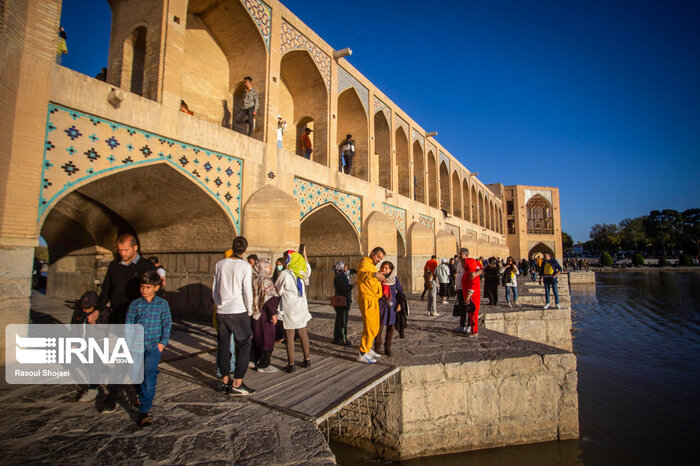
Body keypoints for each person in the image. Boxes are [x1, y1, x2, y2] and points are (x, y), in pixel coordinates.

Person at [96, 233, 156, 413]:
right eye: (120, 250)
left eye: (126, 250)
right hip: (117, 319)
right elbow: (106, 289)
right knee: (120, 359)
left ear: (135, 248)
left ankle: (124, 395)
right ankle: (117, 395)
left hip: (138, 321)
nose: (122, 253)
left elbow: (156, 291)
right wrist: (97, 309)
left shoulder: (146, 266)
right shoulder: (114, 266)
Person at [126, 271, 172, 427]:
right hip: (136, 346)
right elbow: (129, 325)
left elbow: (167, 323)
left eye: (148, 287)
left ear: (156, 288)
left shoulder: (162, 304)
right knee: (135, 374)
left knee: (149, 375)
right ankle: (141, 395)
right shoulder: (135, 305)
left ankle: (144, 412)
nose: (144, 290)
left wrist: (162, 342)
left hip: (154, 346)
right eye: (142, 287)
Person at [212, 236, 255, 396]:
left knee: (223, 346)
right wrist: (249, 311)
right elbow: (247, 291)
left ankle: (225, 381)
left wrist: (219, 304)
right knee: (244, 345)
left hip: (222, 312)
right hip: (238, 311)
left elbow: (215, 288)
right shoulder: (244, 266)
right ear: (244, 250)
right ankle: (237, 382)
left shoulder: (220, 264)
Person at [275, 250, 312, 372]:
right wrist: (304, 255)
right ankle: (307, 359)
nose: (284, 261)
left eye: (286, 259)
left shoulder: (285, 274)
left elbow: (278, 290)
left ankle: (291, 364)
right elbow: (307, 267)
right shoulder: (302, 273)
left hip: (289, 308)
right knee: (302, 333)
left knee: (289, 336)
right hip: (301, 308)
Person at [71, 291, 108, 403]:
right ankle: (100, 377)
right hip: (83, 342)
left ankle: (93, 389)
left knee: (95, 364)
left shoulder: (103, 312)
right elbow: (74, 326)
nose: (85, 310)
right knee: (88, 363)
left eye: (88, 308)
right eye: (83, 308)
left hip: (98, 342)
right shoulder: (79, 312)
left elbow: (107, 327)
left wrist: (96, 322)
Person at [357, 247, 386, 363]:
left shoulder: (372, 265)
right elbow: (362, 275)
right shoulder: (364, 262)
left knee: (374, 326)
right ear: (372, 253)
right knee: (369, 326)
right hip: (367, 298)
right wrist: (375, 274)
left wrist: (379, 276)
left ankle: (368, 348)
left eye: (381, 258)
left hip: (373, 298)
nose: (379, 260)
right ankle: (362, 352)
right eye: (378, 257)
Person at [251, 258, 280, 373]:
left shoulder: (253, 279)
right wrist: (273, 313)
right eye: (268, 266)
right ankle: (264, 364)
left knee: (257, 337)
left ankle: (252, 359)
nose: (270, 268)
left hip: (255, 313)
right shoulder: (265, 281)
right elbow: (268, 299)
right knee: (267, 338)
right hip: (265, 315)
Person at [374, 261, 403, 357]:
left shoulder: (394, 279)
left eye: (386, 268)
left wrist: (399, 304)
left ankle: (388, 347)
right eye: (383, 267)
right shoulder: (377, 278)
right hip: (381, 305)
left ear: (390, 270)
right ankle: (377, 347)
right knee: (379, 327)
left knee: (391, 327)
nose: (384, 269)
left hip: (392, 306)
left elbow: (400, 292)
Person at [461, 252, 483, 337]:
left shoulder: (472, 273)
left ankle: (474, 331)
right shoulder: (468, 271)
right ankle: (473, 330)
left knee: (473, 313)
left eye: (464, 263)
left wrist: (467, 298)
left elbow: (472, 287)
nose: (462, 265)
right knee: (471, 313)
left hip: (472, 297)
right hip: (468, 296)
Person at [332, 261, 353, 346]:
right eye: (345, 267)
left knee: (339, 320)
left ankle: (336, 338)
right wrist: (352, 285)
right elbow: (344, 288)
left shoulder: (341, 276)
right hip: (342, 301)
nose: (346, 268)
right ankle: (342, 339)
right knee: (343, 321)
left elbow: (352, 272)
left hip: (340, 301)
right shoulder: (340, 277)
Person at [453, 248, 470, 333]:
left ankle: (469, 325)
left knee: (468, 308)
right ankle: (462, 325)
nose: (459, 255)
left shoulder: (469, 262)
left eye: (461, 254)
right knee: (461, 307)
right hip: (460, 288)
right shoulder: (460, 263)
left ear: (466, 255)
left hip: (466, 289)